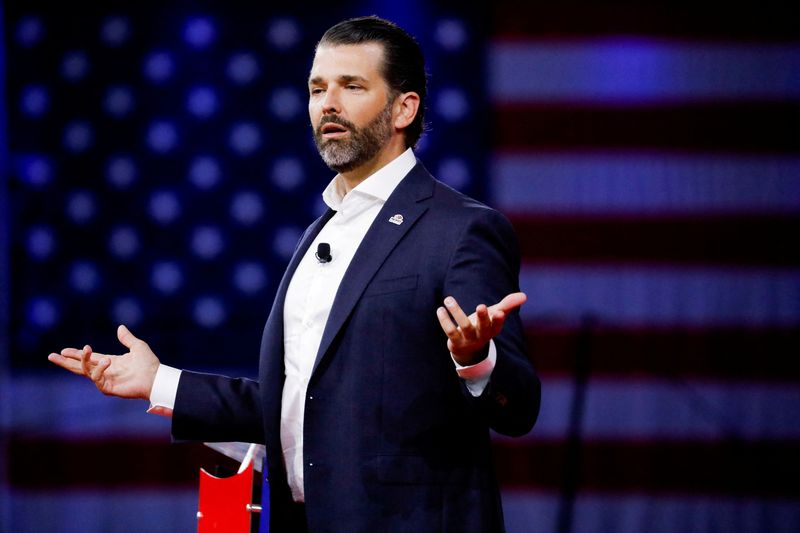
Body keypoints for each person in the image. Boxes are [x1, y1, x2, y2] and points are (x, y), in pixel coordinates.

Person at [49, 16, 540, 533]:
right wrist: (158, 382)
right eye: (316, 88)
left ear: (404, 108)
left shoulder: (462, 229)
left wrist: (476, 358)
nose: (328, 102)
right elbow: (299, 405)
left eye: (351, 86)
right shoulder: (318, 234)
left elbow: (519, 406)